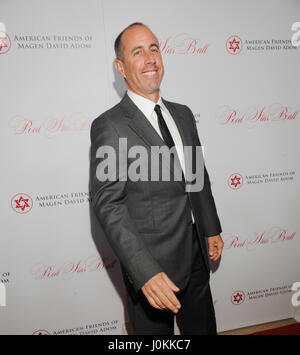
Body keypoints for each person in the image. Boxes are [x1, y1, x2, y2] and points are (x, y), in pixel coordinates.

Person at [90, 22, 224, 335]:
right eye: (138, 52)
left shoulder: (183, 114)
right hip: (149, 264)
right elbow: (108, 204)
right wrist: (144, 272)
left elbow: (196, 176)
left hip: (195, 253)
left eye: (154, 48)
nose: (150, 58)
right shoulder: (110, 126)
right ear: (121, 67)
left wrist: (211, 226)